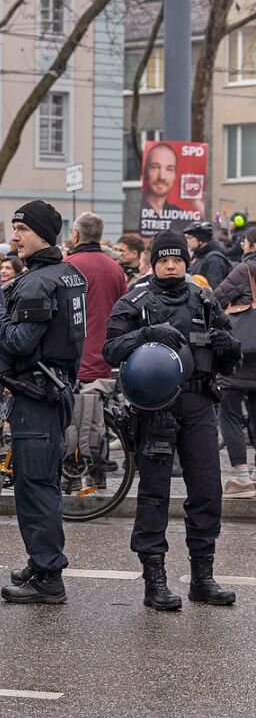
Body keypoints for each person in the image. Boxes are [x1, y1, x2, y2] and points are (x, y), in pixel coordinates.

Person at [103, 230, 240, 609]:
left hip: (199, 404)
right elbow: (110, 349)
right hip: (155, 410)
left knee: (207, 491)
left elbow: (231, 357)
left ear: (186, 261)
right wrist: (145, 333)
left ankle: (202, 577)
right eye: (164, 259)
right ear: (153, 262)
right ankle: (155, 580)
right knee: (154, 496)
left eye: (177, 259)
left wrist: (230, 348)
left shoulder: (205, 299)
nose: (171, 264)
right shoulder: (136, 301)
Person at [0, 200, 85, 604]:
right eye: (14, 228)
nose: (15, 237)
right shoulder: (67, 274)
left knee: (36, 487)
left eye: (22, 229)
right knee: (39, 484)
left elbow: (20, 341)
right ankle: (41, 563)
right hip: (52, 390)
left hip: (38, 395)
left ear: (42, 233)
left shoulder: (39, 282)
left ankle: (48, 576)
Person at [65, 213, 128, 487]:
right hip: (104, 356)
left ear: (76, 235)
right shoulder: (115, 269)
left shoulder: (67, 266)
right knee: (98, 417)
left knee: (71, 418)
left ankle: (71, 474)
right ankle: (98, 472)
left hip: (73, 356)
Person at [213, 227, 256, 499]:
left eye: (245, 241)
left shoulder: (245, 270)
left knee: (228, 412)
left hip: (241, 356)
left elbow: (215, 299)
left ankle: (242, 478)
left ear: (252, 245)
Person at [140, 143, 202, 235]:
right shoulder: (136, 209)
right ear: (145, 171)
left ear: (175, 175)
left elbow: (205, 234)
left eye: (169, 169)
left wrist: (195, 201)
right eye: (155, 167)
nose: (162, 177)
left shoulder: (181, 216)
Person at [184, 222, 232, 291]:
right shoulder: (199, 256)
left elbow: (214, 289)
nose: (187, 241)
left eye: (190, 237)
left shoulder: (214, 259)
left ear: (200, 239)